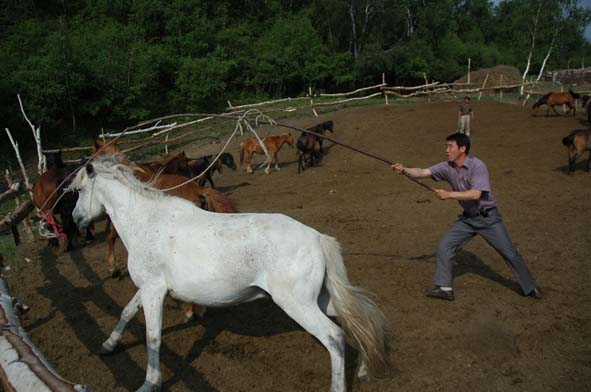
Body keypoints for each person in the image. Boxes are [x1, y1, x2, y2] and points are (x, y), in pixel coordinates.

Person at [391, 133, 542, 301]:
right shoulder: (446, 167)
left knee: (509, 252)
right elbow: (422, 172)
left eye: (450, 146)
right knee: (444, 246)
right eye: (446, 146)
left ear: (462, 149)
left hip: (488, 218)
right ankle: (445, 288)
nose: (446, 150)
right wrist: (404, 170)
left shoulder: (478, 166)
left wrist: (449, 195)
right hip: (468, 219)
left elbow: (476, 194)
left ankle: (530, 287)